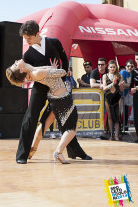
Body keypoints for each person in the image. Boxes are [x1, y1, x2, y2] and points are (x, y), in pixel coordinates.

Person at [15, 20, 91, 164]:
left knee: (66, 119)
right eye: (25, 39)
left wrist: (61, 74)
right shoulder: (28, 54)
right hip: (40, 87)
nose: (27, 41)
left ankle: (75, 152)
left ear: (37, 34)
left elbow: (64, 59)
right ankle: (22, 154)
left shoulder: (54, 42)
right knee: (31, 117)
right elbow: (26, 73)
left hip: (57, 86)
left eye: (29, 38)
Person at [6, 59, 87, 164]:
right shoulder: (35, 72)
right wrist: (54, 69)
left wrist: (51, 69)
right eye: (15, 64)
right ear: (21, 70)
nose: (16, 61)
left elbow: (47, 72)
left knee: (45, 124)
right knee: (72, 128)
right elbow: (62, 72)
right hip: (62, 99)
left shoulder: (31, 71)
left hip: (54, 99)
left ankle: (32, 150)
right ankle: (58, 152)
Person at [102, 60, 124, 141]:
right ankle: (111, 135)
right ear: (108, 67)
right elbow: (104, 88)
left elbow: (121, 90)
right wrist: (112, 83)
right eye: (111, 67)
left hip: (117, 97)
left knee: (117, 116)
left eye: (114, 67)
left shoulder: (119, 76)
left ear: (116, 68)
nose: (112, 68)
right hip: (108, 97)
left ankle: (117, 135)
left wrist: (120, 85)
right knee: (110, 116)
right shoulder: (105, 76)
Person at [120, 60, 135, 131]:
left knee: (136, 101)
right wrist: (130, 86)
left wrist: (129, 86)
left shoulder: (133, 73)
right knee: (120, 111)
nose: (130, 68)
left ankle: (131, 117)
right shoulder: (123, 72)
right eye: (128, 66)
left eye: (131, 66)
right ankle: (118, 128)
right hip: (119, 95)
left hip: (125, 95)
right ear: (125, 67)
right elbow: (122, 84)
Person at [130, 52, 138, 143]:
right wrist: (133, 89)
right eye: (137, 59)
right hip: (137, 96)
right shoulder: (134, 71)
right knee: (137, 116)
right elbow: (130, 86)